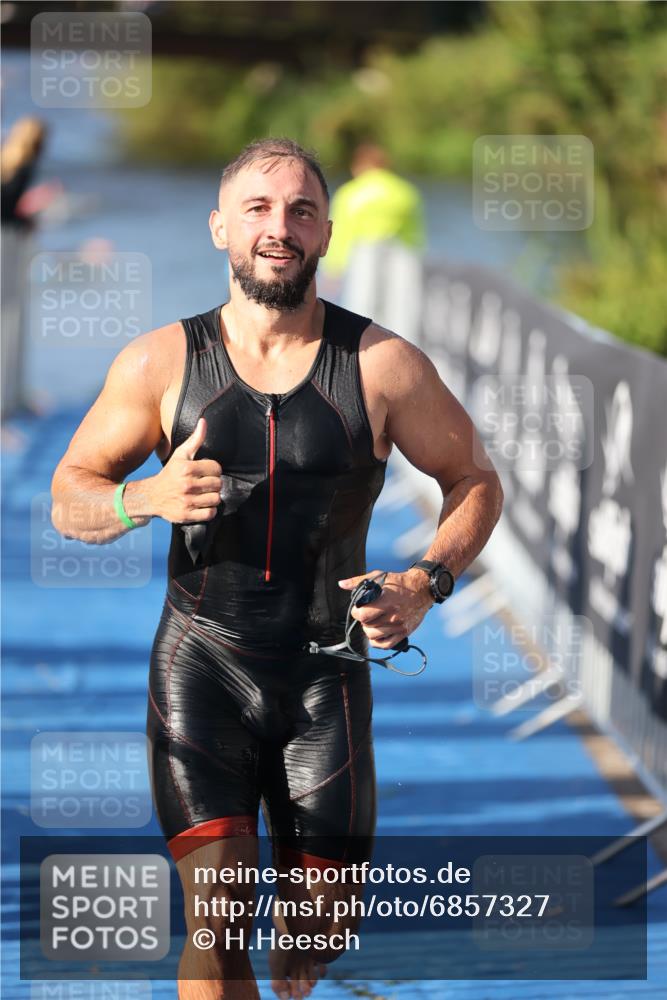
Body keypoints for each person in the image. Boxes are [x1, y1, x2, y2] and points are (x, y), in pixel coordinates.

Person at [50, 138, 503, 1000]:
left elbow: (475, 480)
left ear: (326, 232)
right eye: (257, 209)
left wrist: (424, 581)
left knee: (313, 936)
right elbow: (69, 497)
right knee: (216, 922)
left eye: (299, 210)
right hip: (200, 666)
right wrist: (144, 500)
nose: (278, 227)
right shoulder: (158, 363)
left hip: (325, 678)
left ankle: (304, 955)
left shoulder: (382, 366)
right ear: (220, 226)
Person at [321, 142, 426, 282]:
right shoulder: (406, 191)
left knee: (361, 302)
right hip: (400, 256)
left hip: (364, 255)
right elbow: (414, 233)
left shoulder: (350, 193)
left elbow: (340, 232)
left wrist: (332, 268)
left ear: (358, 166)